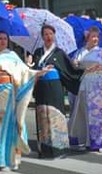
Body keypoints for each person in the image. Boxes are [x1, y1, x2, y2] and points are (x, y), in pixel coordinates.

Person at [0, 31, 49, 171]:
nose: (2, 41)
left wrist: (38, 72)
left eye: (5, 38)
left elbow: (25, 72)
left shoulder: (12, 56)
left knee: (9, 125)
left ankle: (10, 160)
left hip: (8, 91)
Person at [29, 24, 82, 158]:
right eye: (45, 34)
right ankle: (45, 148)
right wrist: (30, 65)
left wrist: (82, 69)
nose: (48, 37)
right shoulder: (38, 53)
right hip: (41, 86)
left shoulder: (59, 53)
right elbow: (34, 70)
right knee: (43, 115)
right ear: (42, 37)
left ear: (54, 35)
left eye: (51, 34)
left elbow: (70, 70)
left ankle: (60, 148)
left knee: (56, 115)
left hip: (55, 86)